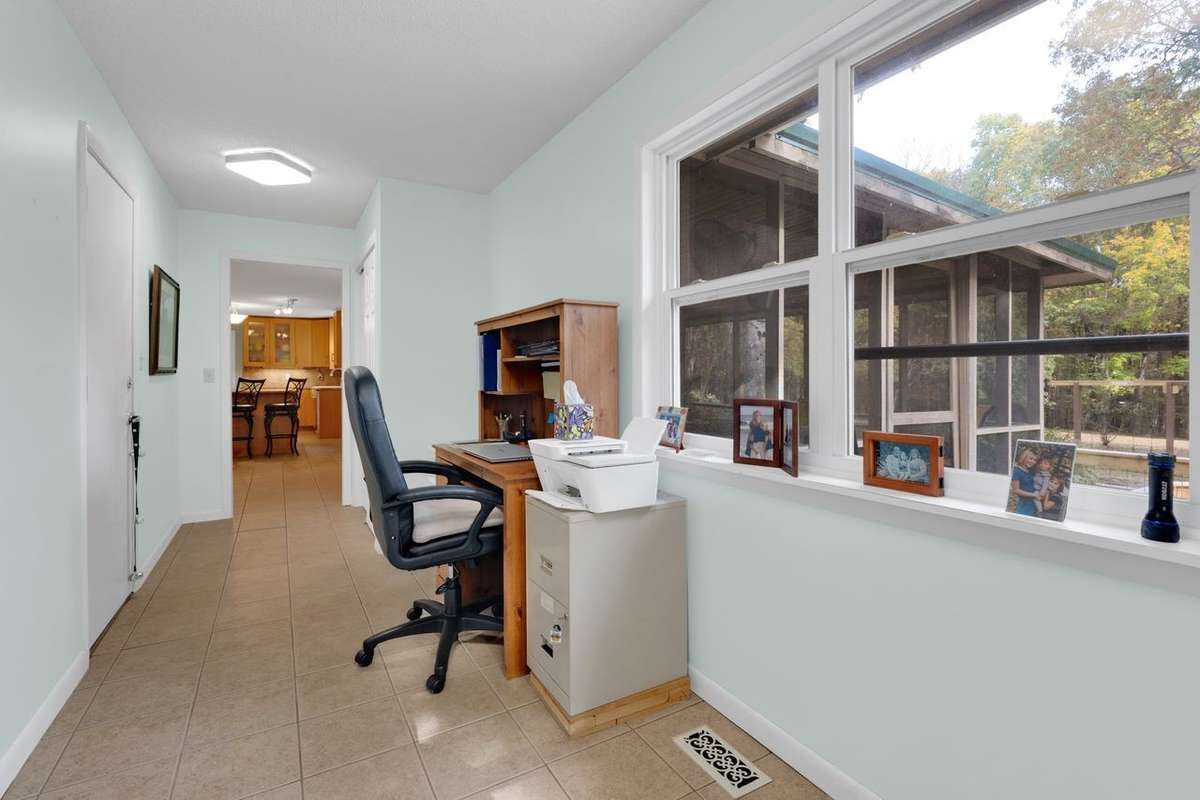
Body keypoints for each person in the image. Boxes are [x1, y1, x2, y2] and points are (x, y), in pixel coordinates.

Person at [1010, 448, 1041, 516]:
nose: (1033, 462)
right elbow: (1016, 490)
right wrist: (1033, 494)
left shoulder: (1030, 471)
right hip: (1024, 505)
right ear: (1024, 457)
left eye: (1035, 460)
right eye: (1031, 459)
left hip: (1034, 504)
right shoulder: (1016, 471)